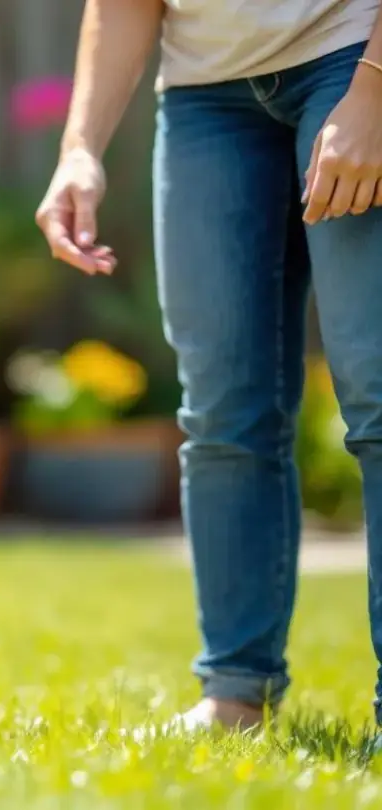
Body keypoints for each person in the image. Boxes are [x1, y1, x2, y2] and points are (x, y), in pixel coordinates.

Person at [36, 0, 382, 732]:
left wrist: (376, 87)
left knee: (377, 394)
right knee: (224, 411)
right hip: (206, 97)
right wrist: (80, 148)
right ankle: (234, 694)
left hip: (352, 55)